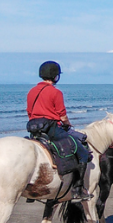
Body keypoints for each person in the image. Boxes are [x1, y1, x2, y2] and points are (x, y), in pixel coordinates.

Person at [26, 61, 92, 201]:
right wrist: (68, 124)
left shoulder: (31, 91)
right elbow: (62, 115)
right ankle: (78, 189)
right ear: (55, 76)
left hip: (34, 129)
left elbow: (30, 112)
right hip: (51, 128)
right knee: (82, 152)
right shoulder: (56, 92)